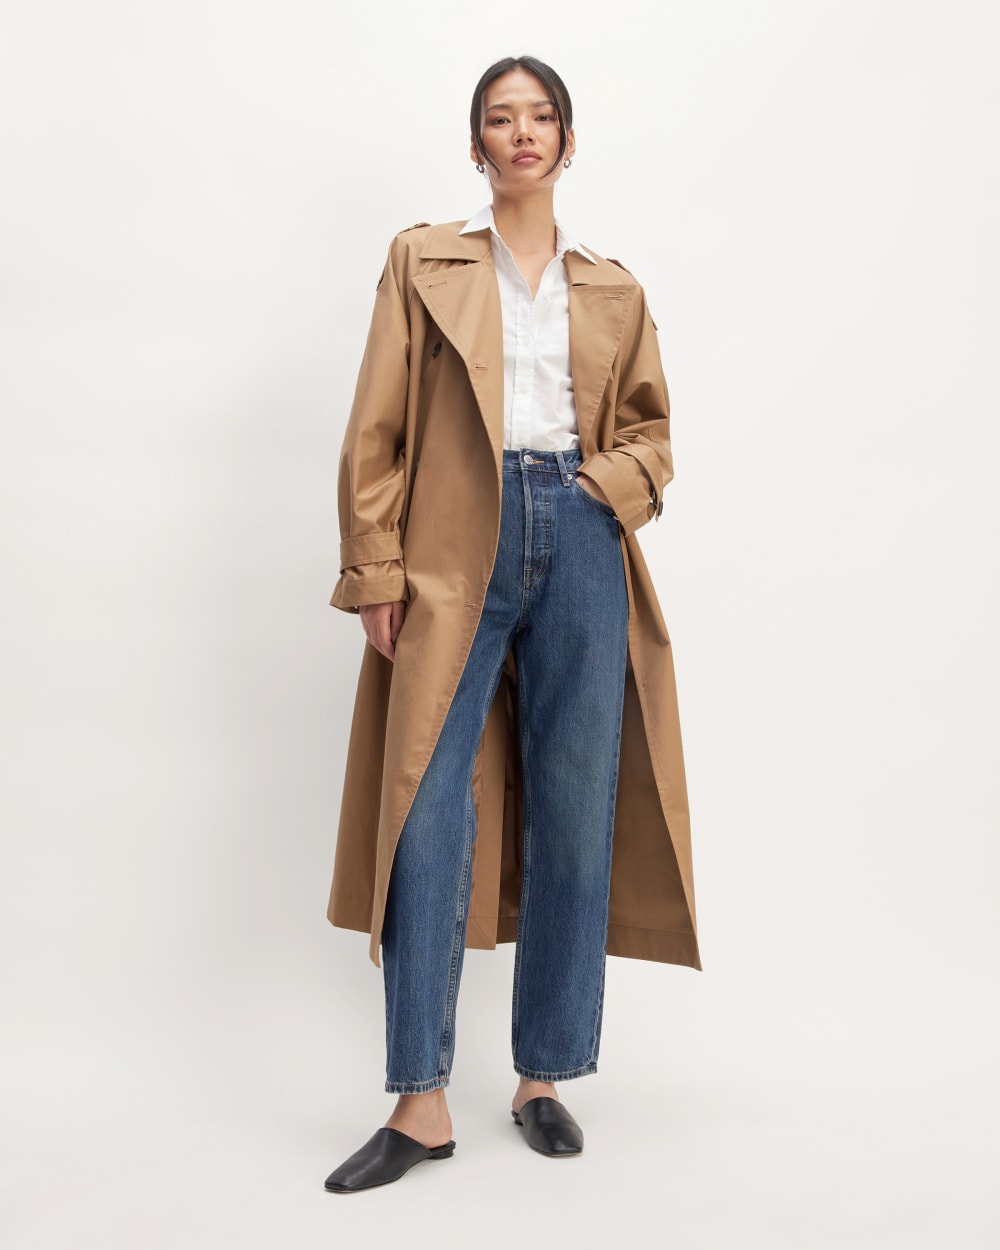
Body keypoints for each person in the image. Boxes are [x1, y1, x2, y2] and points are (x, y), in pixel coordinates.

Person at [323, 55, 701, 1194]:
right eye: (501, 118)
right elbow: (377, 426)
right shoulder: (424, 261)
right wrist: (376, 566)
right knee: (426, 804)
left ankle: (544, 1076)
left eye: (541, 118)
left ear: (568, 143)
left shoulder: (614, 288)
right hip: (452, 543)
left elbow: (652, 433)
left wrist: (606, 487)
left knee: (575, 806)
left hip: (579, 537)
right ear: (477, 144)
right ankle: (420, 1101)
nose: (522, 133)